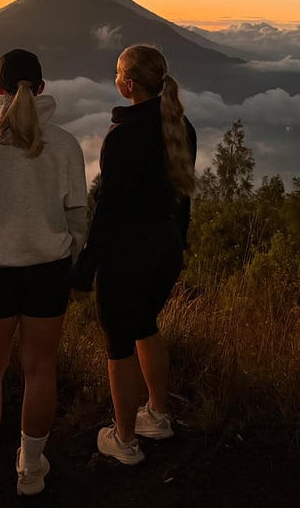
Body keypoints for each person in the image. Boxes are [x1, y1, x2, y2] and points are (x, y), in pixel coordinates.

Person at [0, 48, 88, 506]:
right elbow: (77, 221)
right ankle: (31, 470)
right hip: (47, 271)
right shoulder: (63, 145)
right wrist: (68, 263)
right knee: (40, 369)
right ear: (42, 89)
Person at [73, 43, 196, 465]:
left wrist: (84, 270)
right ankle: (158, 415)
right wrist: (180, 242)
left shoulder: (123, 136)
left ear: (128, 83)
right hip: (165, 252)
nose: (114, 78)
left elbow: (108, 212)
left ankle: (124, 440)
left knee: (119, 346)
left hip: (127, 258)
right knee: (146, 326)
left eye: (117, 72)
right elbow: (183, 197)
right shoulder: (180, 125)